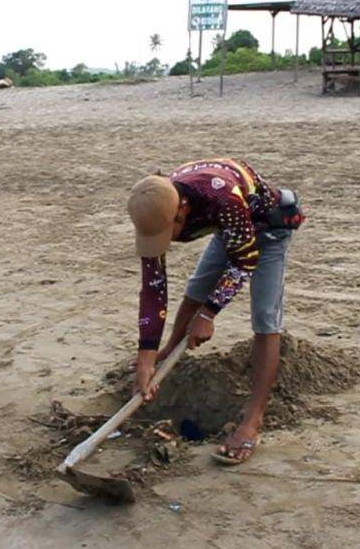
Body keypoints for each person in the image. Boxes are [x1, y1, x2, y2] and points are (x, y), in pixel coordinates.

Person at [127, 158, 304, 464]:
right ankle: (169, 351)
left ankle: (252, 422)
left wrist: (208, 315)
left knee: (264, 318)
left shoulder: (219, 198)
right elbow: (153, 288)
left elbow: (245, 260)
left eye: (169, 232)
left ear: (182, 210)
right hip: (229, 228)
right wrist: (146, 354)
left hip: (269, 227)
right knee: (196, 290)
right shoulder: (154, 204)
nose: (166, 241)